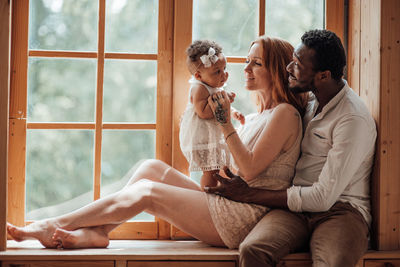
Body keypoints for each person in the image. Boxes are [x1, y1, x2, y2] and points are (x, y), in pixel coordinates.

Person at [6, 36, 307, 250]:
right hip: (228, 201)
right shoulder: (260, 115)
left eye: (256, 63)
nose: (245, 68)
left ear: (277, 69)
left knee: (148, 192)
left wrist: (225, 122)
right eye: (248, 60)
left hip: (243, 218)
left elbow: (251, 170)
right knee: (150, 168)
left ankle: (55, 224)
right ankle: (97, 233)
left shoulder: (285, 113)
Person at [206, 29, 377, 266]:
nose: (288, 69)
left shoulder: (352, 119)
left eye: (297, 65)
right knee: (252, 249)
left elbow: (322, 198)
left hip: (340, 210)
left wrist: (250, 194)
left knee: (332, 263)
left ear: (324, 76)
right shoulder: (308, 101)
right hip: (295, 209)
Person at [180, 39, 244, 189]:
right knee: (210, 172)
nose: (224, 75)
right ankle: (206, 196)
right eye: (217, 72)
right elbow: (203, 112)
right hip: (201, 137)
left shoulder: (214, 85)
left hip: (211, 135)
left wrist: (233, 112)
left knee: (217, 169)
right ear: (198, 76)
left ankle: (213, 192)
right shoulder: (199, 89)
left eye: (224, 68)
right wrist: (225, 101)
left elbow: (220, 106)